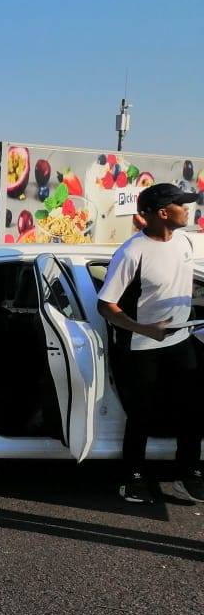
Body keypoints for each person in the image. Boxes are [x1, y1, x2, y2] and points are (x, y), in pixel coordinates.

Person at [97, 182, 204, 504]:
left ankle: (188, 474)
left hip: (181, 339)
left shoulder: (184, 241)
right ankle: (133, 478)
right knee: (143, 414)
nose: (188, 209)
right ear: (162, 213)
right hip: (142, 347)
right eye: (181, 205)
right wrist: (143, 329)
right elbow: (106, 305)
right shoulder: (132, 252)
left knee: (194, 408)